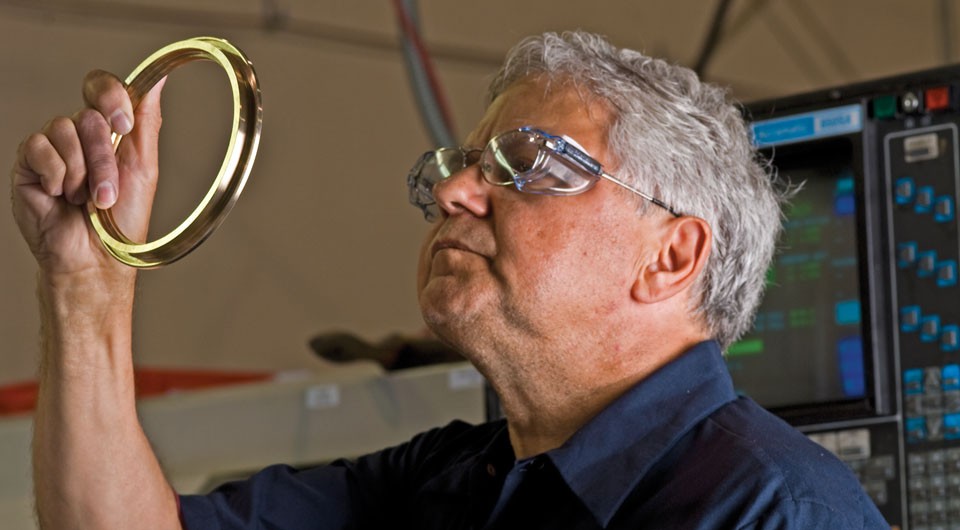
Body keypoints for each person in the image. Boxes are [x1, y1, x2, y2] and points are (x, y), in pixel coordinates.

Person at [11, 31, 887, 529]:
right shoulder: (454, 482)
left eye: (530, 162)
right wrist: (85, 284)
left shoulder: (771, 511)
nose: (455, 191)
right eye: (462, 165)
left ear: (669, 258)